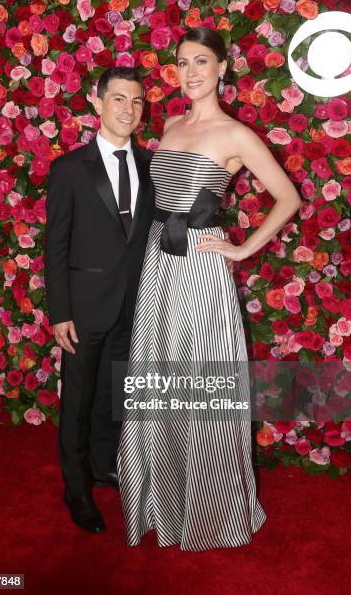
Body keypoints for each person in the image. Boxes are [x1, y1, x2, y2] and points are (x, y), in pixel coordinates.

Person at [117, 27, 301, 551]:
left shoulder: (237, 135)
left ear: (223, 68)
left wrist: (242, 249)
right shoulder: (171, 125)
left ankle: (208, 510)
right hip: (159, 264)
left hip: (200, 270)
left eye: (201, 61)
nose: (191, 71)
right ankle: (159, 502)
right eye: (182, 62)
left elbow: (286, 198)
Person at [44, 67, 155, 534]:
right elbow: (57, 245)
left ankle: (104, 465)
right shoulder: (69, 168)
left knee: (115, 395)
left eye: (136, 101)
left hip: (134, 306)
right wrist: (60, 313)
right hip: (85, 308)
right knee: (78, 402)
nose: (128, 109)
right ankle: (76, 488)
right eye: (118, 99)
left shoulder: (152, 164)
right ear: (97, 102)